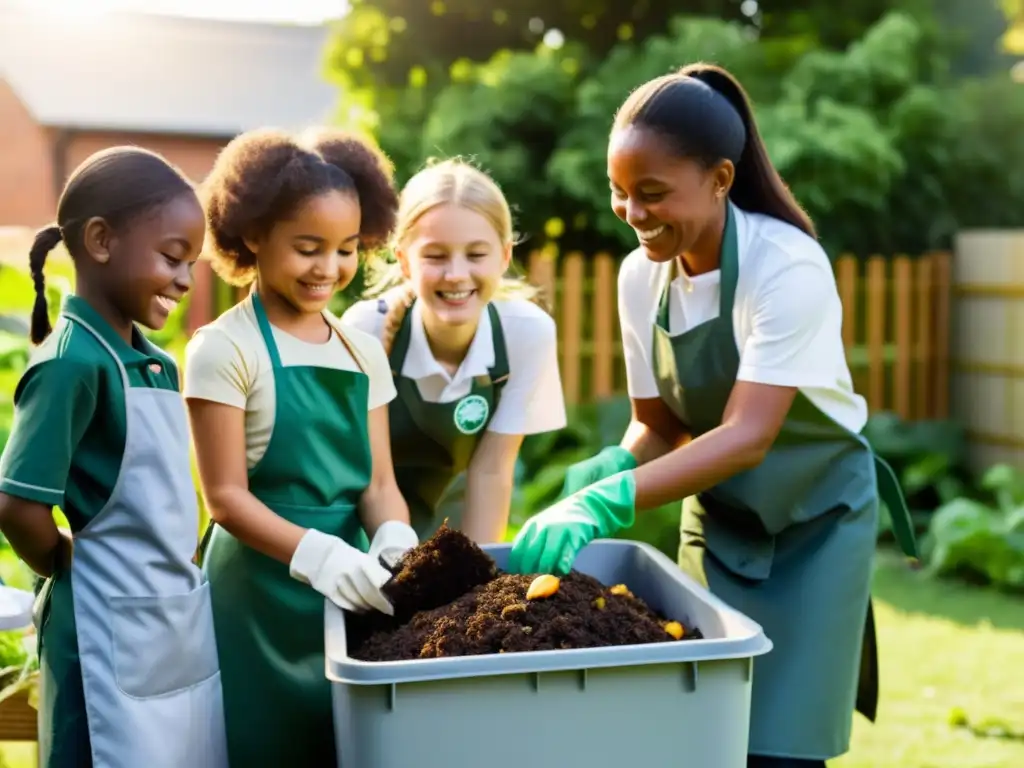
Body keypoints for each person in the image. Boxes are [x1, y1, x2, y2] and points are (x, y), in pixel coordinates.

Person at [505, 63, 919, 767]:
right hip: (721, 524)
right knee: (701, 736)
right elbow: (660, 424)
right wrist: (614, 462)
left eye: (653, 193)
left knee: (784, 746)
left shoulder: (785, 266)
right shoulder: (641, 277)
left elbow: (748, 435)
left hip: (816, 527)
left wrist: (611, 501)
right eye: (619, 194)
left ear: (721, 179)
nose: (633, 214)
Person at [183, 127, 419, 766]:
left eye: (347, 250)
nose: (329, 269)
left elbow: (377, 485)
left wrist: (394, 536)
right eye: (308, 248)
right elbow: (226, 497)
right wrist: (318, 556)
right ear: (253, 235)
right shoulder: (223, 348)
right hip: (256, 597)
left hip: (350, 590)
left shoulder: (361, 350)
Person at [0, 147, 228, 768]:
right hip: (100, 626)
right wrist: (64, 561)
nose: (185, 280)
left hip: (166, 622)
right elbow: (18, 507)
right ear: (101, 240)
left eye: (191, 264)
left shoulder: (152, 363)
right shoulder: (72, 366)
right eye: (172, 258)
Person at [342, 158, 567, 543]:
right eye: (435, 255)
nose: (457, 274)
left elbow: (492, 471)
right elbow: (364, 475)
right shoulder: (367, 330)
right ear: (404, 261)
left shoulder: (526, 335)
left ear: (505, 256)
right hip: (361, 532)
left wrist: (478, 589)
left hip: (453, 532)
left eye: (476, 255)